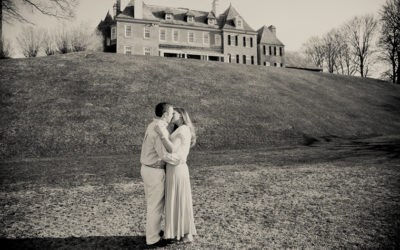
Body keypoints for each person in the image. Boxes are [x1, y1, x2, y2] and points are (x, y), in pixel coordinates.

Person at [140, 102, 180, 247]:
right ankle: (153, 239)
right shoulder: (159, 129)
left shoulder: (152, 125)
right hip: (154, 170)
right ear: (164, 115)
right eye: (170, 113)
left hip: (148, 168)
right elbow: (163, 154)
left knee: (153, 204)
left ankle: (153, 232)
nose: (171, 116)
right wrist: (180, 159)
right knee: (155, 206)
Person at [155, 107, 197, 243]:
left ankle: (185, 233)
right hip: (175, 168)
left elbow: (175, 153)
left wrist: (162, 155)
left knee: (179, 199)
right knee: (177, 199)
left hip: (177, 168)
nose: (172, 115)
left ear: (182, 115)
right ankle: (179, 232)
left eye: (174, 113)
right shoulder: (180, 129)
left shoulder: (183, 129)